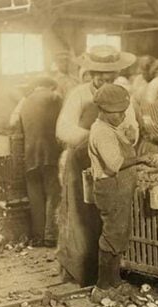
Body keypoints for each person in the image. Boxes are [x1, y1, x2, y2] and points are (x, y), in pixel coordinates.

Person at [56, 45, 137, 287]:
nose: (105, 78)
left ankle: (110, 273)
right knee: (82, 216)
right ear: (91, 73)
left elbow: (131, 125)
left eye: (110, 74)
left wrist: (130, 134)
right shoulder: (79, 94)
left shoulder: (122, 93)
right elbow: (63, 129)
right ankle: (82, 270)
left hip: (111, 165)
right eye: (100, 74)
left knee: (110, 217)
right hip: (81, 161)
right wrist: (95, 138)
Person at [88, 84, 148, 302]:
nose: (122, 116)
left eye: (124, 111)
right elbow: (114, 164)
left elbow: (121, 146)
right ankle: (102, 287)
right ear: (103, 110)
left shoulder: (111, 128)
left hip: (120, 190)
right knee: (112, 235)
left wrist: (129, 137)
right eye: (117, 113)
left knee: (119, 234)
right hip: (110, 189)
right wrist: (141, 158)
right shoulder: (101, 131)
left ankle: (115, 281)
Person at [11, 76, 63, 247]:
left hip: (30, 153)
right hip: (50, 152)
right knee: (53, 193)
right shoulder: (55, 98)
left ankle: (38, 235)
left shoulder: (25, 102)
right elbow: (63, 124)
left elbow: (14, 124)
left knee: (35, 195)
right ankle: (50, 235)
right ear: (50, 86)